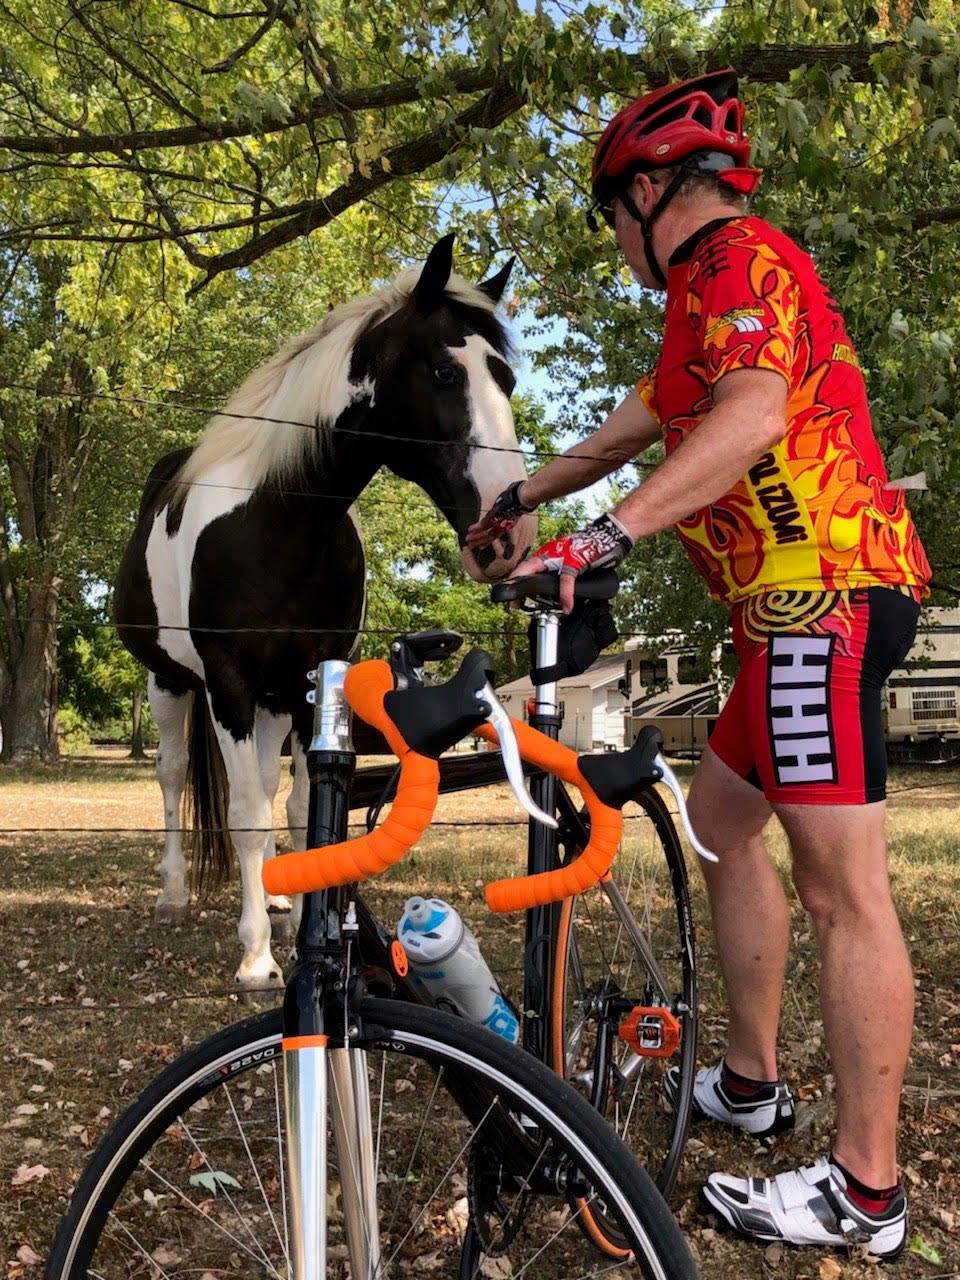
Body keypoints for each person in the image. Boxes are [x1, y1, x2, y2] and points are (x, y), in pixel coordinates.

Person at [466, 68, 931, 1259]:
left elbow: (753, 418)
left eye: (610, 212)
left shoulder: (734, 261)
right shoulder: (700, 308)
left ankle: (866, 1194)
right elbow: (629, 429)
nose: (614, 238)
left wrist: (604, 538)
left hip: (816, 607)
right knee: (721, 828)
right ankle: (751, 1080)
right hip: (781, 621)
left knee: (845, 892)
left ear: (649, 190)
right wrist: (519, 496)